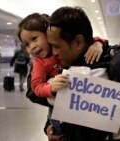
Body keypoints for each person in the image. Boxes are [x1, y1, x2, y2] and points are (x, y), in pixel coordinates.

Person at [17, 12, 106, 139]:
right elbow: (34, 89)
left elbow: (91, 40)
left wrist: (98, 43)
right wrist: (51, 88)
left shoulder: (70, 50)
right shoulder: (39, 62)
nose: (32, 46)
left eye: (34, 38)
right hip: (58, 111)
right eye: (26, 44)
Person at [45, 6, 115, 141]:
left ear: (78, 42)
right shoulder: (89, 60)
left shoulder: (93, 73)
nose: (53, 53)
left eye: (57, 46)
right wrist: (52, 128)